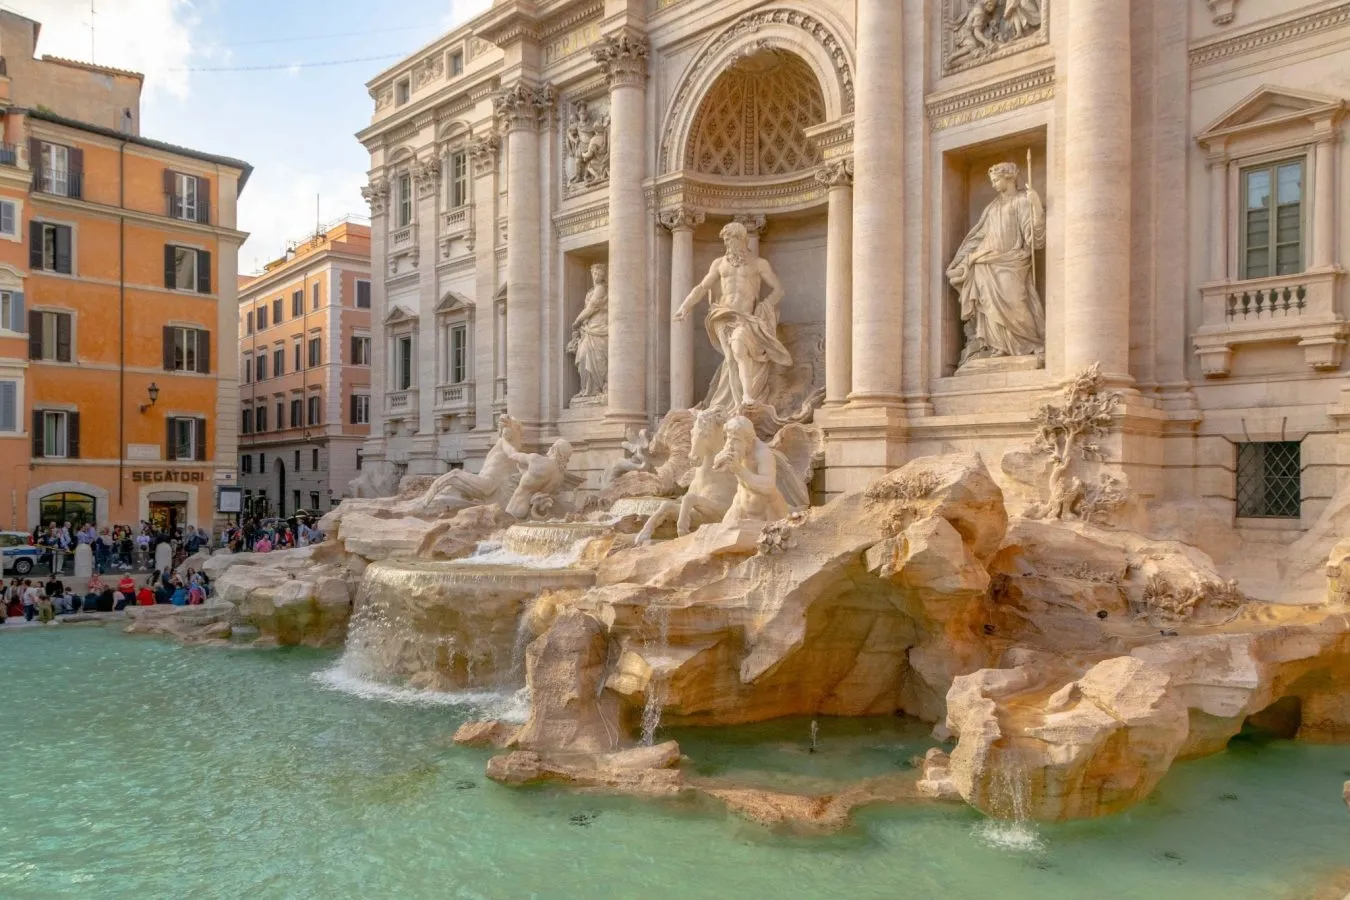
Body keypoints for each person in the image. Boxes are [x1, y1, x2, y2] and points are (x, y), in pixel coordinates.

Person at [674, 221, 793, 410]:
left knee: (738, 348)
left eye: (730, 240)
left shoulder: (758, 264)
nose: (727, 244)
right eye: (726, 241)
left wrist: (765, 306)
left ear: (741, 239)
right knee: (730, 359)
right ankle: (738, 404)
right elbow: (702, 287)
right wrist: (685, 306)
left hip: (744, 317)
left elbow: (778, 290)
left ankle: (747, 394)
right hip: (722, 315)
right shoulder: (719, 264)